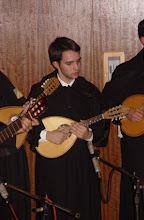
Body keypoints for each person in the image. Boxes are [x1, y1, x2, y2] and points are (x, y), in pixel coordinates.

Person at [28, 37, 109, 220]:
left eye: (78, 61)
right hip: (53, 167)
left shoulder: (89, 91)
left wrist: (89, 135)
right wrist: (46, 134)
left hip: (83, 164)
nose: (76, 68)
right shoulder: (41, 91)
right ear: (55, 64)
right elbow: (25, 126)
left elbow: (103, 126)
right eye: (69, 63)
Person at [102, 15, 144, 220]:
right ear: (143, 40)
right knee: (141, 202)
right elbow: (108, 104)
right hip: (139, 151)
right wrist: (127, 112)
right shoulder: (126, 70)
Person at [0, 71, 38, 219]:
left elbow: (18, 101)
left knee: (16, 209)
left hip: (12, 159)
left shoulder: (2, 78)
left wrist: (25, 113)